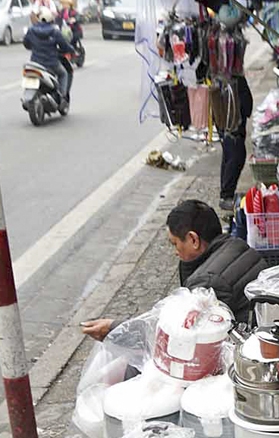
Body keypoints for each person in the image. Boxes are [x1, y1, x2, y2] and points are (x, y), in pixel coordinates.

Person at [81, 199, 266, 340]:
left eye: (175, 244)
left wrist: (114, 329)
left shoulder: (207, 282)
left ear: (193, 240)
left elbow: (172, 329)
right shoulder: (235, 245)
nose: (175, 252)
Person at [23, 7, 73, 104]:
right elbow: (64, 46)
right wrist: (71, 50)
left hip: (35, 63)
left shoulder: (31, 30)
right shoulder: (55, 31)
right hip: (51, 63)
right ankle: (62, 97)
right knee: (63, 74)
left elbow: (26, 44)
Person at [219, 74, 252, 211]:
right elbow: (246, 103)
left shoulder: (228, 74)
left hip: (228, 117)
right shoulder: (232, 77)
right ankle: (226, 195)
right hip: (232, 118)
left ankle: (226, 194)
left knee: (230, 152)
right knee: (236, 154)